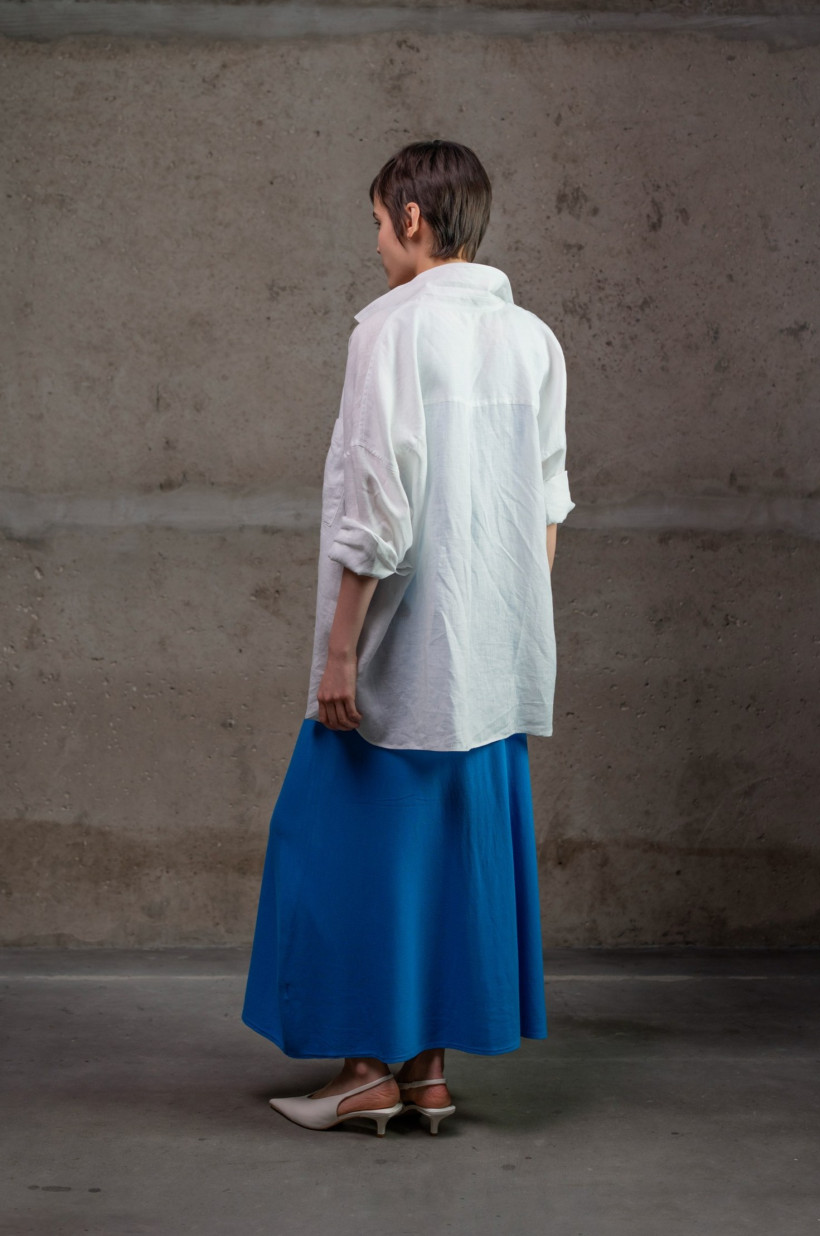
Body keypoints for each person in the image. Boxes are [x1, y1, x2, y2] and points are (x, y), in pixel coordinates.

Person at [242, 139, 575, 1137]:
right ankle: (424, 1075)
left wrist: (340, 655)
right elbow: (546, 504)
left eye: (379, 224)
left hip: (398, 654)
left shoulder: (391, 329)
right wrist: (502, 629)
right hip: (487, 664)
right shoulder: (532, 339)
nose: (377, 243)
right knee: (441, 861)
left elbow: (375, 511)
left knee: (338, 855)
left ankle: (362, 1073)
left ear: (413, 218)